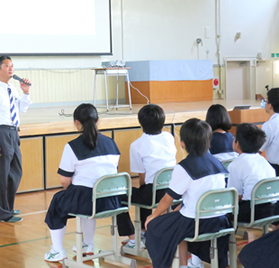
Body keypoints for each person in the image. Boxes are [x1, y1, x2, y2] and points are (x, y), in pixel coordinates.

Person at [145, 118, 230, 268]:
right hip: (220, 220)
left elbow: (167, 199)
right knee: (177, 218)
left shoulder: (183, 167)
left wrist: (153, 216)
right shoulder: (217, 163)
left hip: (195, 222)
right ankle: (187, 264)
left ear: (183, 143)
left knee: (155, 227)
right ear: (208, 140)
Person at [44, 103, 121, 262]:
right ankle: (88, 244)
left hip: (87, 200)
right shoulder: (111, 143)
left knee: (58, 203)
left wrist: (73, 189)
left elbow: (64, 180)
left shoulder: (72, 146)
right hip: (112, 200)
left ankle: (57, 251)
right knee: (87, 197)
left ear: (76, 123)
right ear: (98, 121)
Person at [117, 104, 177, 249]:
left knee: (119, 195)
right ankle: (144, 230)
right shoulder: (169, 137)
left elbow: (142, 177)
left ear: (140, 123)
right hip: (174, 191)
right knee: (145, 190)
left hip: (154, 193)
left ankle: (132, 237)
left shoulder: (137, 145)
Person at [0, 55, 32, 223]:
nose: (11, 69)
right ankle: (3, 213)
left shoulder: (12, 89)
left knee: (16, 171)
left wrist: (26, 93)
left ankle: (8, 206)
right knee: (1, 175)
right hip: (0, 133)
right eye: (7, 66)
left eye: (12, 66)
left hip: (13, 132)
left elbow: (21, 110)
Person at [227, 123, 275, 222]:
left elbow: (235, 195)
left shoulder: (235, 165)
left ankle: (231, 236)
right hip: (271, 210)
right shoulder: (264, 161)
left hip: (251, 212)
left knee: (223, 211)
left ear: (238, 143)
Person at [260, 87, 279, 176]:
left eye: (266, 101)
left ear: (270, 105)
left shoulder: (269, 125)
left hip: (276, 169)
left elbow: (258, 150)